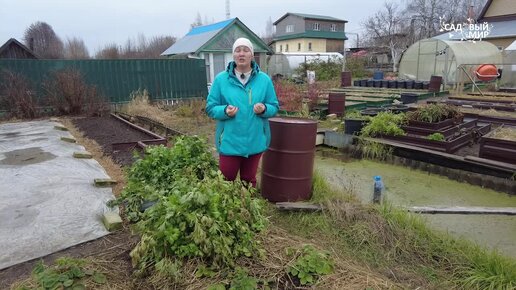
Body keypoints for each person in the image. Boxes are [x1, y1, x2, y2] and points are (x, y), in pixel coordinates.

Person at [206, 37, 279, 188]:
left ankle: (248, 209)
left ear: (252, 55)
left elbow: (274, 106)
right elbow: (210, 108)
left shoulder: (264, 80)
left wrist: (264, 108)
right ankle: (229, 210)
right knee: (226, 180)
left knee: (248, 180)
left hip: (255, 140)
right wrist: (225, 110)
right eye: (238, 50)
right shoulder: (221, 80)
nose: (241, 54)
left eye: (246, 50)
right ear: (233, 55)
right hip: (229, 142)